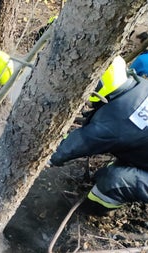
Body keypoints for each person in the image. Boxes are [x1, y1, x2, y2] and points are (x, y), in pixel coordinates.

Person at [49, 55, 148, 216]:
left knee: (115, 181)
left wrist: (47, 156)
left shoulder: (114, 123)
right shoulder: (141, 86)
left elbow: (75, 145)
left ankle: (87, 211)